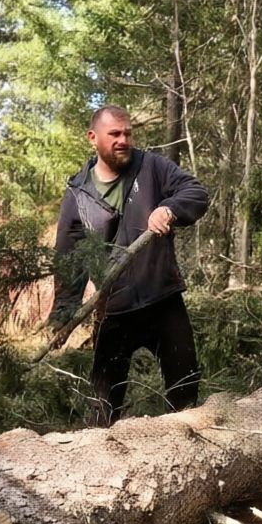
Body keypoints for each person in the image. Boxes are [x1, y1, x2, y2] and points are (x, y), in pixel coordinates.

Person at [49, 105, 211, 426]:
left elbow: (197, 192)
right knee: (103, 408)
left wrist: (169, 208)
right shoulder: (78, 194)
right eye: (115, 134)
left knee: (185, 397)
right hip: (114, 311)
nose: (124, 140)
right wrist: (63, 313)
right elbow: (69, 257)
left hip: (164, 301)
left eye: (128, 133)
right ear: (93, 138)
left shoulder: (152, 167)